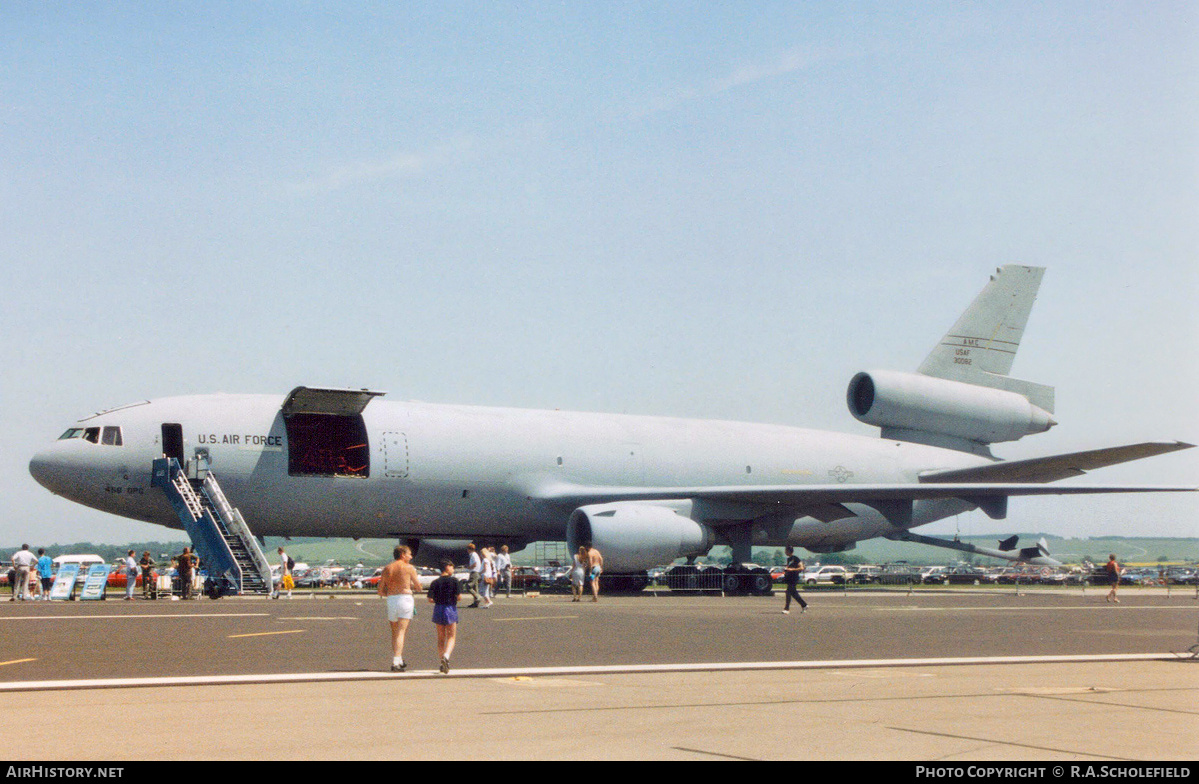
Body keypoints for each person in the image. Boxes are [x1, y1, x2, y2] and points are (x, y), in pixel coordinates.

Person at [377, 545, 421, 672]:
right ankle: (396, 661)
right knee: (401, 632)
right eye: (409, 554)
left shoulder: (387, 568)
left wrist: (390, 594)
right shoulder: (409, 568)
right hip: (405, 598)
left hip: (391, 599)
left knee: (395, 632)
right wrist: (413, 587)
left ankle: (399, 659)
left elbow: (380, 591)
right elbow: (418, 587)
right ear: (403, 554)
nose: (411, 557)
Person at [427, 559, 462, 674]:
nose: (453, 569)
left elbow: (430, 599)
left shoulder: (435, 582)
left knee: (441, 637)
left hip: (438, 608)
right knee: (451, 636)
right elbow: (459, 597)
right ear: (447, 567)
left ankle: (441, 659)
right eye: (452, 567)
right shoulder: (455, 581)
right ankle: (446, 656)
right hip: (450, 608)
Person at [781, 546, 808, 614]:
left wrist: (792, 569)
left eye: (786, 550)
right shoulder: (789, 559)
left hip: (794, 578)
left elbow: (801, 567)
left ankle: (786, 609)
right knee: (794, 593)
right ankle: (804, 605)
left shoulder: (795, 558)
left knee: (788, 592)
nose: (785, 552)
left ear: (789, 551)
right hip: (789, 578)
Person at [463, 543, 483, 608]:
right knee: (475, 588)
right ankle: (475, 603)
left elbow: (475, 564)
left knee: (468, 586)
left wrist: (468, 567)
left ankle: (478, 597)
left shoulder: (473, 555)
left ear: (469, 549)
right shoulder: (475, 555)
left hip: (474, 572)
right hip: (477, 572)